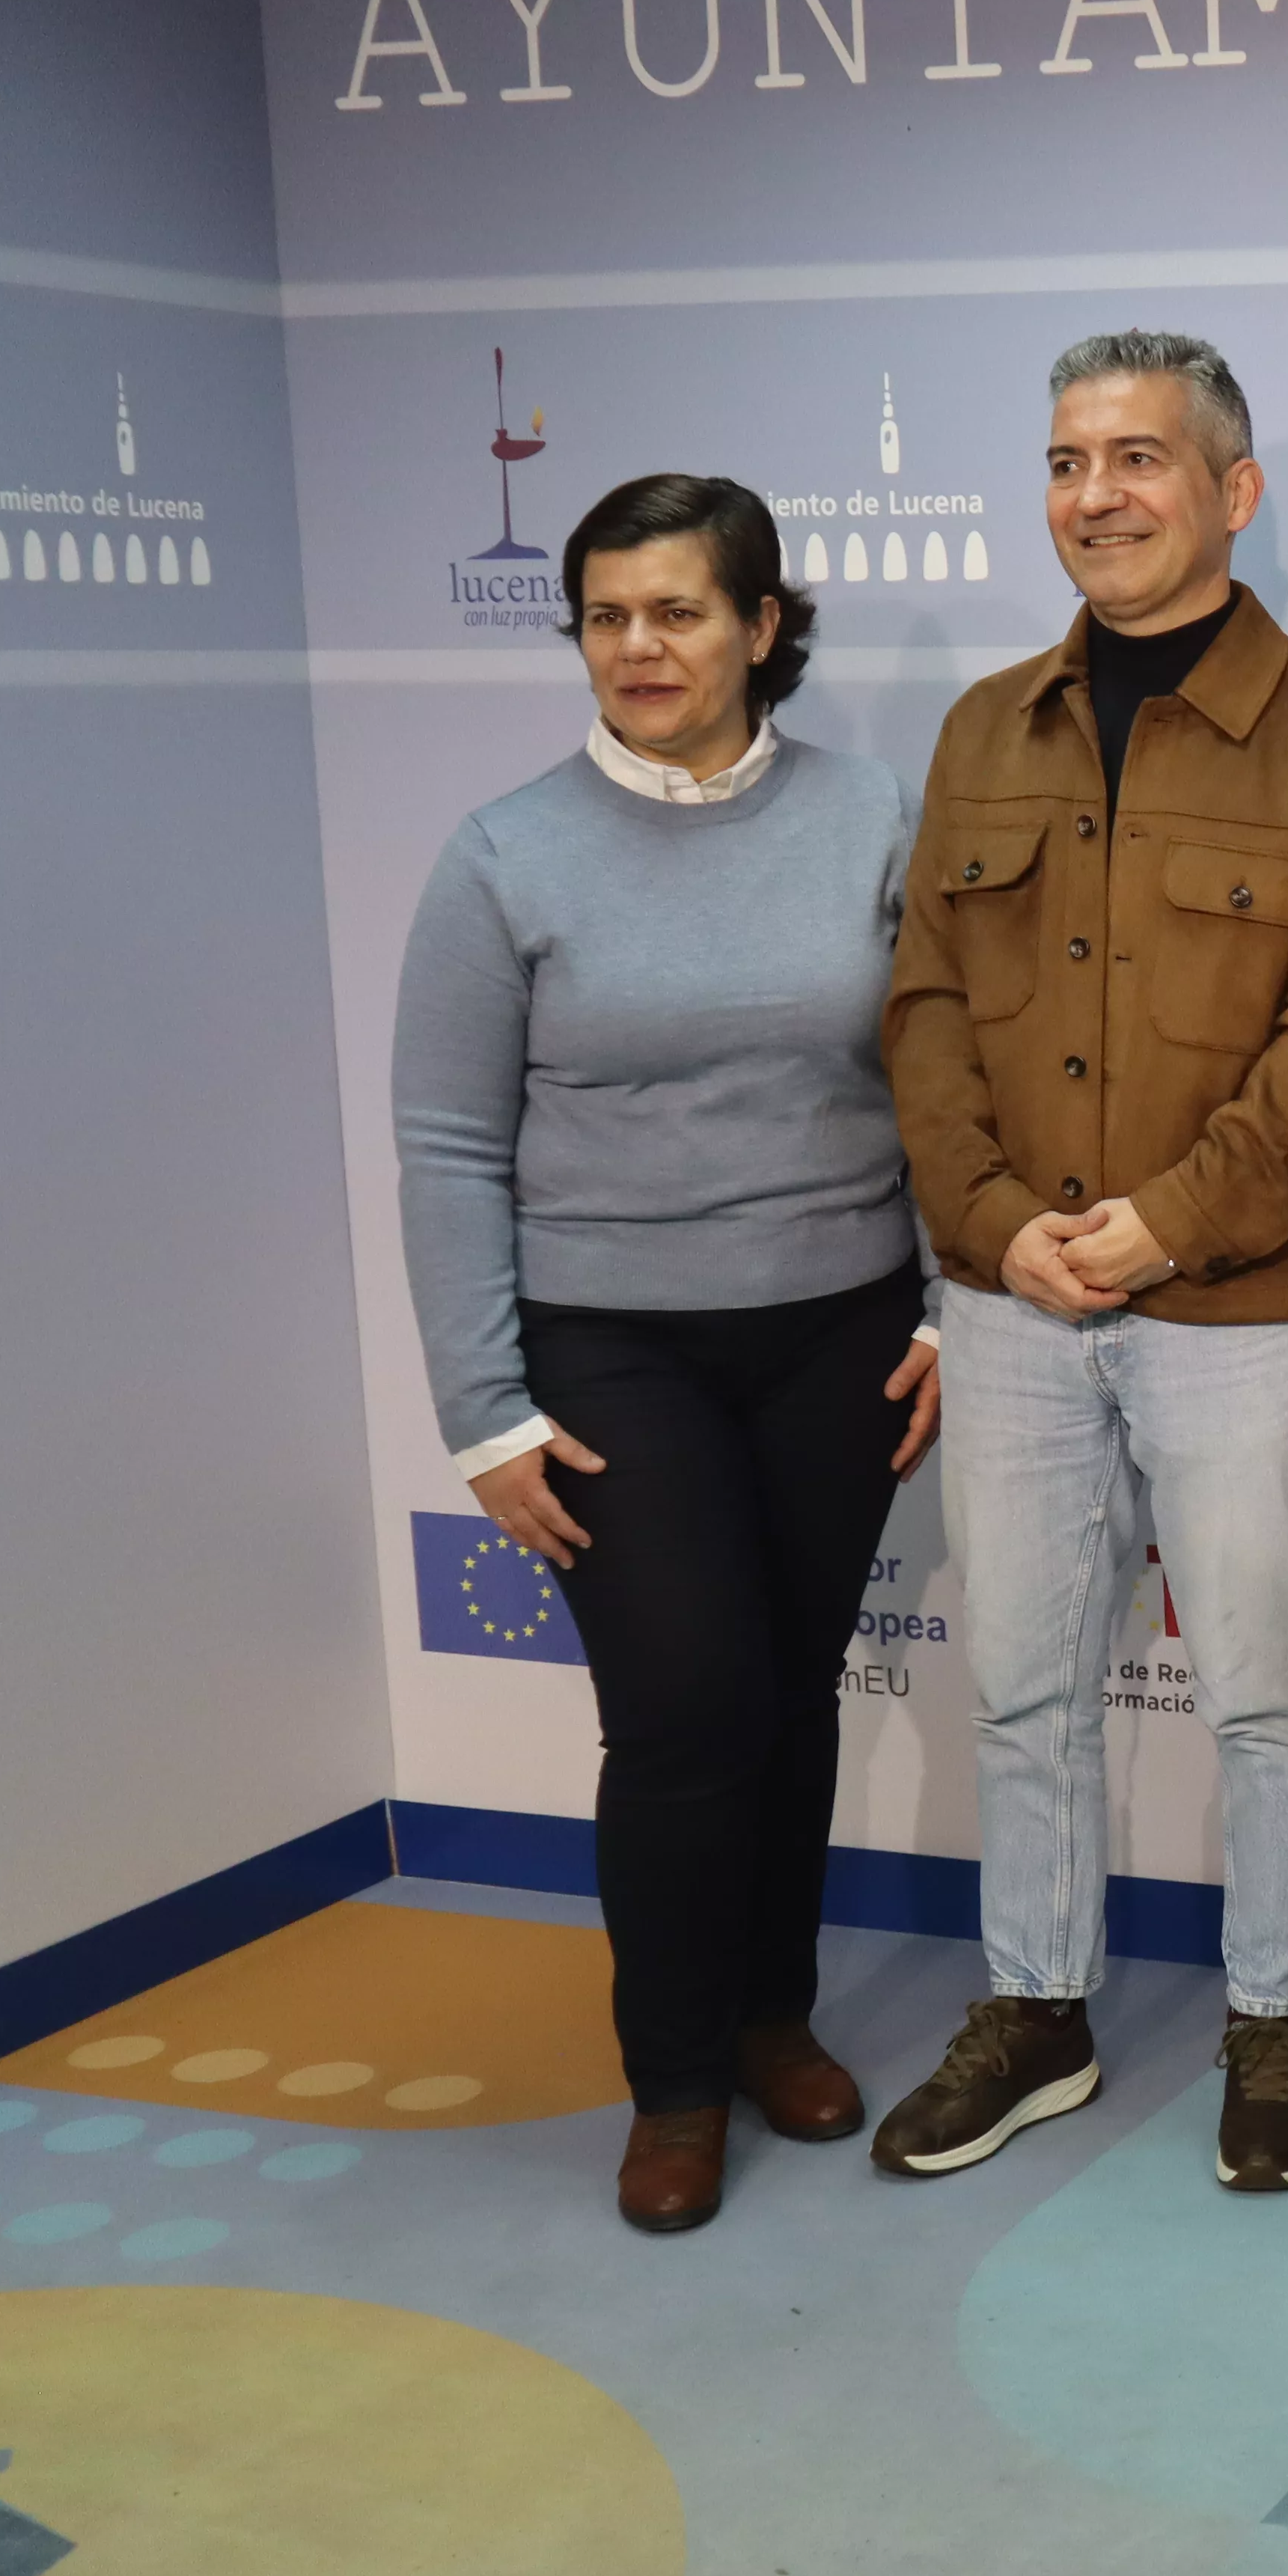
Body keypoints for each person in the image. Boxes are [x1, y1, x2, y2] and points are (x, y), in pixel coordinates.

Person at [873, 330, 1288, 2194]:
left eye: (1136, 458)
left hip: (1240, 1310)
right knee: (1025, 1684)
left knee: (1267, 1690)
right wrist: (994, 1224)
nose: (1094, 495)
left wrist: (1169, 1217)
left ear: (1231, 491)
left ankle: (1274, 2024)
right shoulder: (982, 731)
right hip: (1012, 1299)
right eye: (1063, 461)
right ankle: (1036, 2009)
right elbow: (927, 1006)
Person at [391, 471, 940, 2235]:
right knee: (687, 1707)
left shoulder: (874, 820)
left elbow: (946, 1083)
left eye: (679, 610)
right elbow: (449, 1150)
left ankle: (776, 2016)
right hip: (613, 1344)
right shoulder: (503, 856)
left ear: (764, 627)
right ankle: (677, 2077)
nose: (639, 646)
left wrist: (945, 1303)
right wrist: (484, 1409)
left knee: (787, 1696)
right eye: (608, 614)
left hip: (841, 1325)